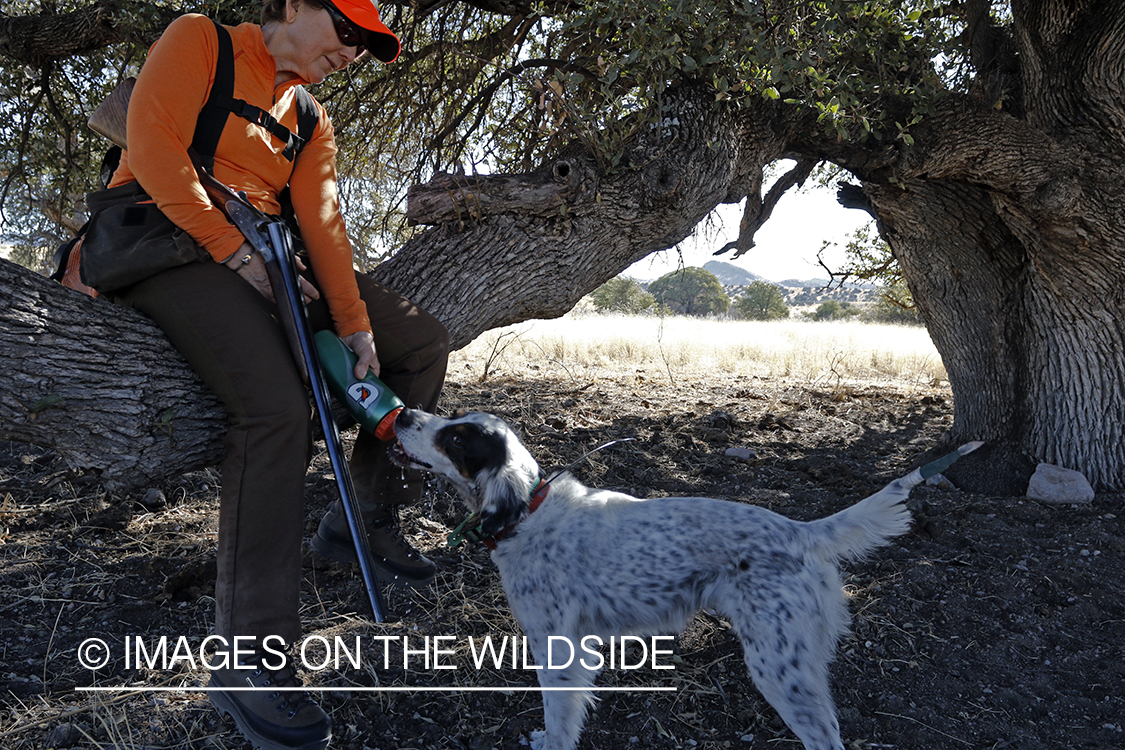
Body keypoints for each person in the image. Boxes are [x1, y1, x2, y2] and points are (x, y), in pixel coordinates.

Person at [106, 2, 448, 748]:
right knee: (279, 414)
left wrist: (354, 325)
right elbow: (155, 148)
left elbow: (322, 225)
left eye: (369, 46)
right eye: (348, 31)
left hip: (265, 253)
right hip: (166, 240)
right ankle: (249, 660)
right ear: (295, 5)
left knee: (419, 342)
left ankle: (364, 518)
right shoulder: (200, 40)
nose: (354, 51)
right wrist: (235, 255)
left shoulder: (310, 118)